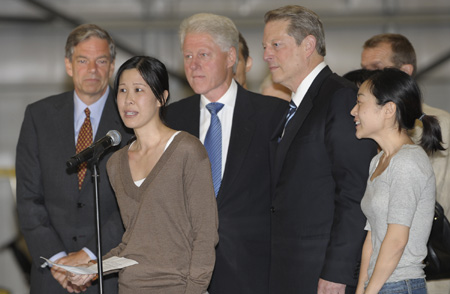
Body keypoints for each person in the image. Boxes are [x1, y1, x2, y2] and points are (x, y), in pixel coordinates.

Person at [68, 56, 219, 293]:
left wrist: (194, 289)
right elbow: (133, 242)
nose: (128, 100)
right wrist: (95, 268)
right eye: (122, 90)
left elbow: (205, 233)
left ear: (162, 97)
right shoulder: (116, 163)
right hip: (131, 286)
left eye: (139, 90)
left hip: (178, 286)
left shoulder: (187, 150)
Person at [165, 13, 288, 294]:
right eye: (187, 56)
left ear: (231, 57)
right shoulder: (170, 120)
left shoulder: (273, 116)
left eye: (203, 55)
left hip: (254, 272)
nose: (193, 65)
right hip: (183, 275)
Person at [263, 5, 377, 293]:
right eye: (265, 46)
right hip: (290, 269)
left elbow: (355, 191)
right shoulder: (293, 107)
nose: (267, 54)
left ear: (308, 45)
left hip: (322, 274)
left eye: (277, 45)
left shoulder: (339, 98)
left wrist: (338, 271)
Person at [15, 24, 133, 293]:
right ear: (69, 65)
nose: (92, 69)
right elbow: (28, 199)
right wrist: (59, 262)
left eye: (101, 60)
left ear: (112, 66)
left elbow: (134, 203)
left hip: (108, 276)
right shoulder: (38, 116)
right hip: (51, 277)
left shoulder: (132, 120)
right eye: (83, 60)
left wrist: (90, 253)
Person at [361, 34, 450, 294]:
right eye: (364, 68)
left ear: (405, 71)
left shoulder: (440, 126)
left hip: (426, 268)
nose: (368, 76)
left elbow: (436, 204)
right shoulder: (379, 146)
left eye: (376, 68)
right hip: (386, 270)